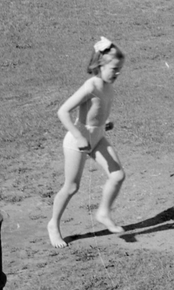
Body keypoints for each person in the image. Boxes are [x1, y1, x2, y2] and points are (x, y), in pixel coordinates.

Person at [48, 37, 127, 248]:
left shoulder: (108, 85)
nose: (117, 73)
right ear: (100, 65)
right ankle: (53, 224)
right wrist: (80, 136)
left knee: (118, 175)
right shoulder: (91, 85)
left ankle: (103, 212)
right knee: (72, 186)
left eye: (120, 69)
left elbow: (96, 113)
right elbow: (63, 111)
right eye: (114, 69)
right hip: (77, 140)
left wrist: (104, 123)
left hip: (98, 136)